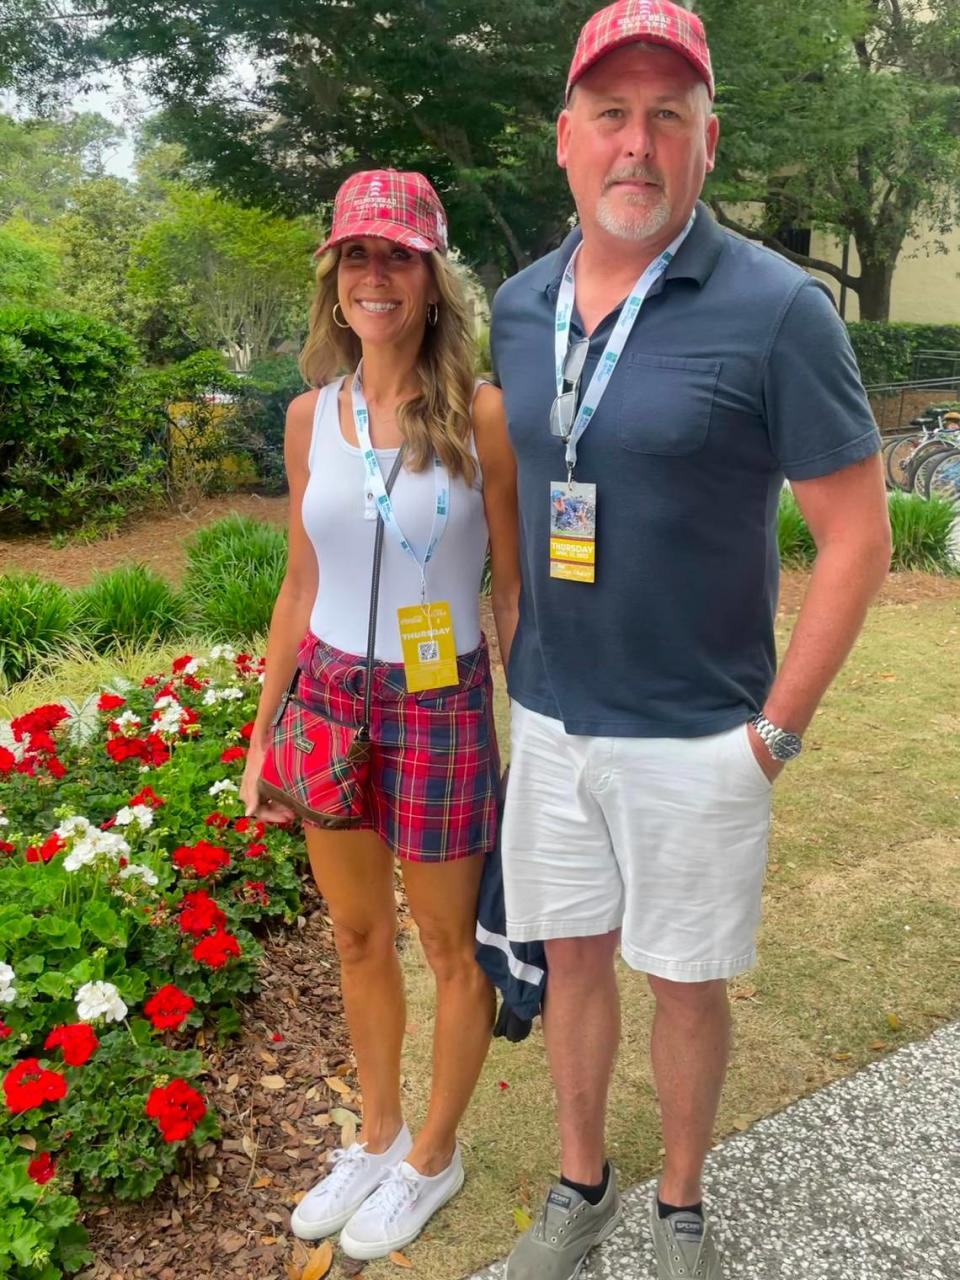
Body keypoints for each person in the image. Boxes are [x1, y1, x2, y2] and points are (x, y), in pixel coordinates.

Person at [490, 3, 892, 1278]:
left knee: (685, 982)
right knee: (573, 964)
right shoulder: (520, 303)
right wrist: (516, 656)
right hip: (552, 723)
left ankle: (678, 1207)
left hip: (703, 738)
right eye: (612, 113)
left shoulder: (778, 309)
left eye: (670, 113)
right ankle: (579, 1186)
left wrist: (771, 734)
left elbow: (858, 536)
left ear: (708, 141)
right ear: (566, 138)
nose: (638, 143)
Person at [239, 169, 520, 1262]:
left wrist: (529, 707)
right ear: (334, 278)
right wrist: (266, 727)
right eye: (357, 255)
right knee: (358, 934)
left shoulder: (481, 415)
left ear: (433, 278)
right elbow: (299, 584)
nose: (375, 274)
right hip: (331, 690)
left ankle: (432, 1154)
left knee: (451, 943)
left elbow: (509, 589)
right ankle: (378, 1132)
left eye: (397, 255)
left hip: (441, 694)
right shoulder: (311, 416)